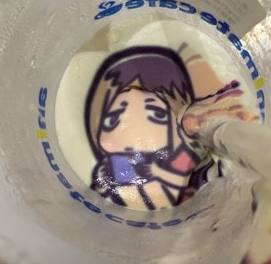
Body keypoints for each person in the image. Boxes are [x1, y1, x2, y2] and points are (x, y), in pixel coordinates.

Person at [85, 46, 205, 210]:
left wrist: (157, 172)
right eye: (112, 120)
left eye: (156, 114)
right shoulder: (115, 167)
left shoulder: (182, 156)